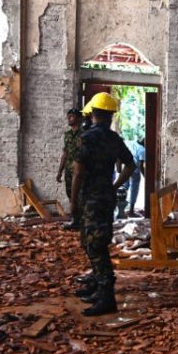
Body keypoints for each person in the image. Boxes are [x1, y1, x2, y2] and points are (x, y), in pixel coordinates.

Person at [69, 92, 135, 316]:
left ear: (93, 114)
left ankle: (107, 296)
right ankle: (98, 286)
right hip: (106, 198)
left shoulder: (86, 137)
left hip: (90, 198)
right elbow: (130, 166)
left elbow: (78, 172)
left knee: (94, 246)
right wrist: (115, 186)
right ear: (109, 115)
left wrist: (72, 203)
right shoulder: (115, 139)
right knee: (92, 242)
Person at [56, 108, 83, 229]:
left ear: (79, 118)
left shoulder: (84, 134)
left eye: (71, 116)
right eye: (68, 116)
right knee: (70, 194)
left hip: (80, 170)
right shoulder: (67, 135)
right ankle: (75, 221)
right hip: (68, 170)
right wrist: (60, 171)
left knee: (80, 196)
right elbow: (65, 153)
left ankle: (83, 221)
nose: (69, 119)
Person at [126, 138, 145, 216]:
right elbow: (140, 165)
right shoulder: (142, 150)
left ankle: (120, 209)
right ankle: (131, 211)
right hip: (135, 171)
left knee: (124, 188)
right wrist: (144, 175)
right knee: (134, 190)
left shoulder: (133, 143)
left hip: (126, 168)